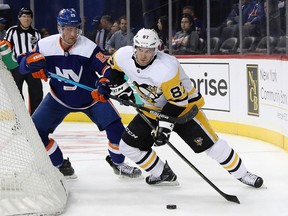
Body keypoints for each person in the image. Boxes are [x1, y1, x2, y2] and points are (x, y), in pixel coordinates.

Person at [91, 28, 264, 188]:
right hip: (151, 108)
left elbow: (177, 102)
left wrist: (164, 128)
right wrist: (108, 84)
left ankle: (243, 174)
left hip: (183, 109)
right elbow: (113, 69)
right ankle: (162, 173)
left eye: (149, 51)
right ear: (134, 47)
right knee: (127, 146)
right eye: (140, 50)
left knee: (212, 146)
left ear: (156, 50)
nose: (143, 55)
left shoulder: (166, 68)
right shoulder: (122, 55)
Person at [17, 8, 142, 179]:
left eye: (76, 28)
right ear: (59, 28)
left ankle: (118, 164)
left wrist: (104, 83)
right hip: (58, 98)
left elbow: (107, 67)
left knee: (116, 130)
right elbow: (22, 64)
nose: (73, 33)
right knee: (35, 131)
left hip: (91, 98)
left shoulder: (88, 47)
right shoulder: (45, 45)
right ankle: (60, 165)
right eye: (68, 28)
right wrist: (29, 64)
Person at [3, 8, 43, 115]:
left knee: (37, 94)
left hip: (32, 68)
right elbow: (7, 47)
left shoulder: (36, 33)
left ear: (31, 19)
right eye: (24, 16)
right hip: (17, 68)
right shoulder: (12, 31)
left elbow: (40, 51)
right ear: (19, 18)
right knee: (16, 95)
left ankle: (35, 120)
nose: (26, 19)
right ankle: (20, 122)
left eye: (29, 17)